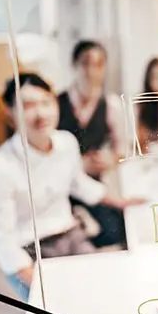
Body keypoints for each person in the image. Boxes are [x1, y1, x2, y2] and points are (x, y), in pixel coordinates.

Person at [0, 73, 142, 303]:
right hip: (29, 252)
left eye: (46, 102)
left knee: (108, 293)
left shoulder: (66, 142)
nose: (41, 113)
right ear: (9, 113)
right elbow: (1, 239)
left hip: (70, 235)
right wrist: (33, 279)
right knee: (61, 310)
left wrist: (120, 201)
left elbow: (78, 183)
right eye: (28, 105)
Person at [57, 40, 127, 248]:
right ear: (74, 66)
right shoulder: (56, 104)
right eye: (85, 63)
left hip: (96, 184)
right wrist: (78, 166)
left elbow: (122, 149)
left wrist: (111, 159)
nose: (91, 71)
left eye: (98, 64)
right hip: (61, 185)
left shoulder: (111, 105)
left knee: (117, 229)